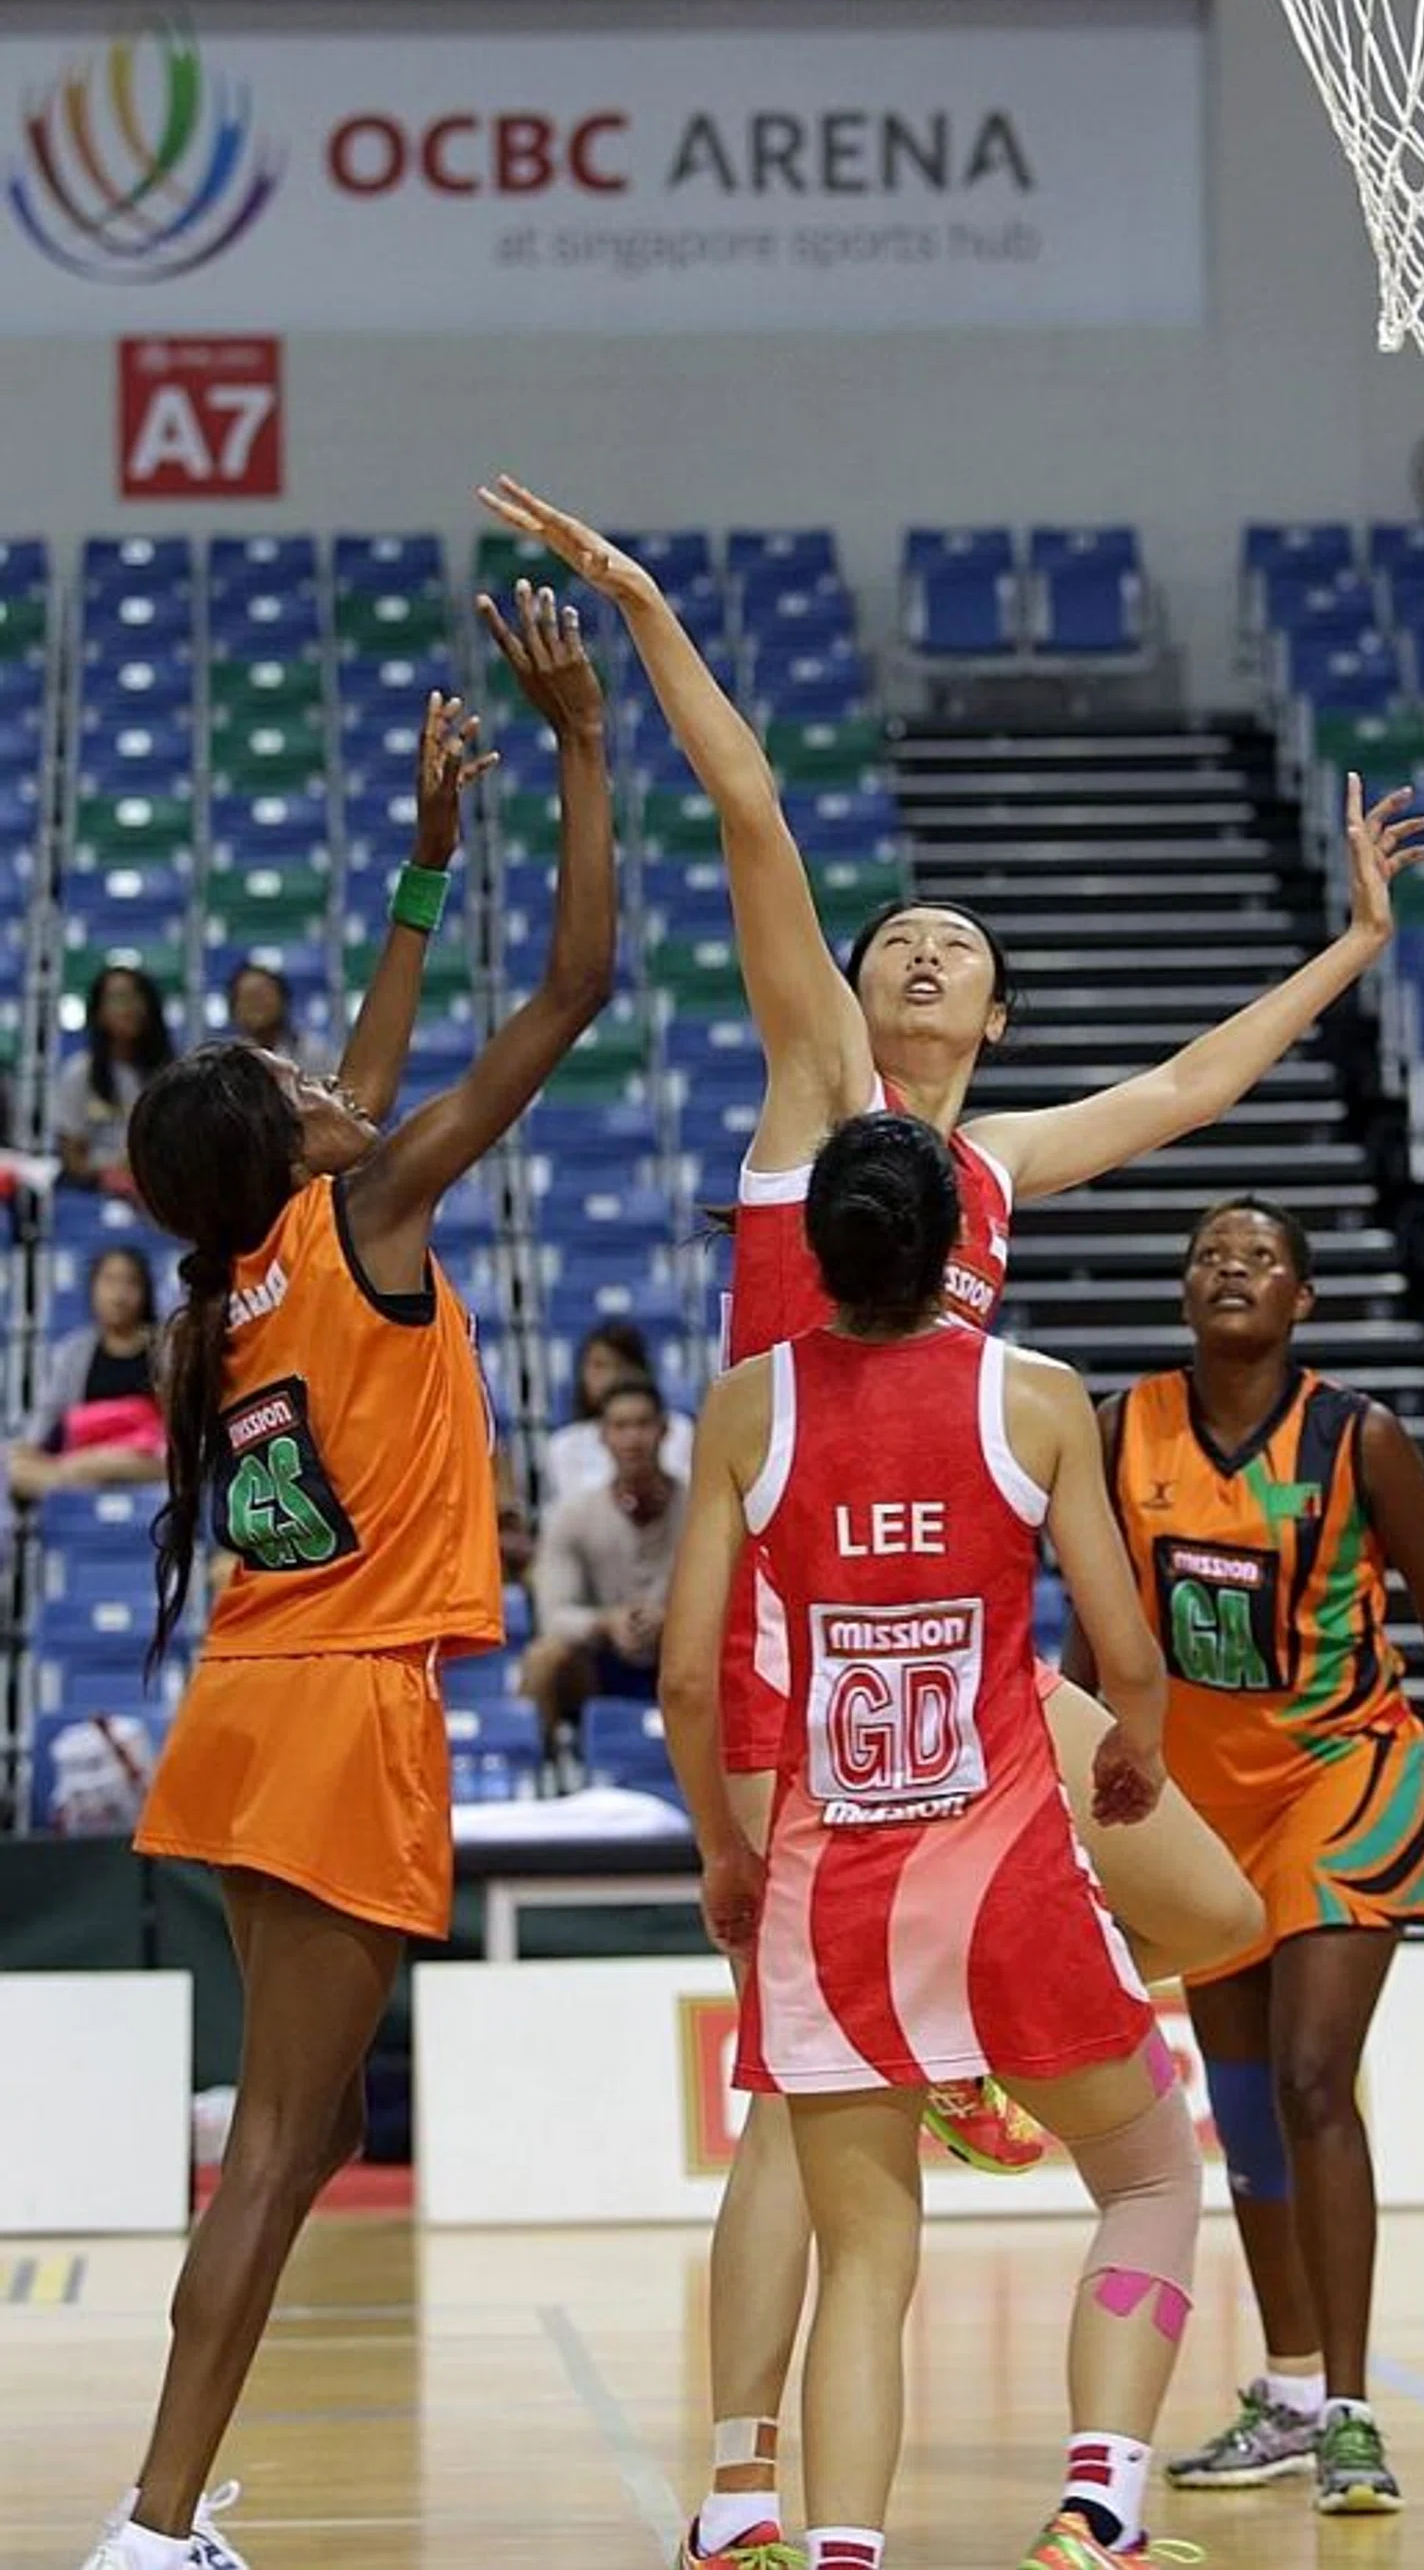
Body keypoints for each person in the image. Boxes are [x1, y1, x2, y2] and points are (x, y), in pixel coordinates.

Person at [476, 477, 1421, 2558]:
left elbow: (1186, 1092)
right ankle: (742, 2481)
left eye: (957, 950)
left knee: (1208, 1913)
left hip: (958, 1648)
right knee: (798, 2158)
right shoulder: (820, 1095)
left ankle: (989, 2052)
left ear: (988, 1024)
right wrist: (645, 607)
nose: (917, 946)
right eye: (905, 934)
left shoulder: (990, 1164)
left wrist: (1350, 944)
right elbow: (759, 825)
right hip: (815, 1621)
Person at [73, 622, 611, 2570]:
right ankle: (148, 2519)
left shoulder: (240, 1279)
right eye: (297, 1077)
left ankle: (169, 2492)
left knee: (291, 2145)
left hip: (248, 1708)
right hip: (341, 1701)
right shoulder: (363, 1216)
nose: (330, 1075)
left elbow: (365, 1073)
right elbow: (577, 991)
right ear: (280, 1143)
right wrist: (580, 751)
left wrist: (422, 856)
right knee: (283, 2148)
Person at [661, 1112, 1199, 2570]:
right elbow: (1128, 1650)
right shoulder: (1034, 1397)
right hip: (1008, 1876)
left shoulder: (744, 1407)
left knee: (867, 2262)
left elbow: (689, 1679)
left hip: (833, 1891)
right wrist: (1136, 1758)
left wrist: (723, 1844)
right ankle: (1100, 2507)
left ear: (812, 1250)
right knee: (1151, 2176)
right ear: (958, 1245)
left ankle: (841, 2550)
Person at [1083, 1196, 1424, 2514]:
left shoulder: (1361, 1438)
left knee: (1312, 2077)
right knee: (1243, 2115)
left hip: (1340, 1776)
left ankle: (1354, 2410)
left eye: (1259, 1258)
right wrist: (1077, 1799)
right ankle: (1291, 2388)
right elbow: (1094, 1636)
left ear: (1302, 1298)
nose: (1229, 1270)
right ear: (1184, 1292)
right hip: (1195, 1806)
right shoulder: (1115, 1430)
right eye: (1208, 1255)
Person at [521, 1373, 686, 1740]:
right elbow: (554, 1616)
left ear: (664, 1431)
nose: (633, 1438)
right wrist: (606, 1623)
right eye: (620, 1426)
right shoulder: (572, 1514)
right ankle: (551, 1773)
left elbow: (733, 1605)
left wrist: (674, 1621)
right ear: (603, 1436)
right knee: (542, 1659)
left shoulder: (699, 1508)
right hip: (600, 1661)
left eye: (643, 1424)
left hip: (683, 1655)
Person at [7, 1246, 164, 1501]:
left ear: (145, 1292)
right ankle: (70, 1478)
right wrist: (25, 1453)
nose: (119, 1294)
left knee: (105, 1462)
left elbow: (182, 1433)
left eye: (130, 1283)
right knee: (15, 1466)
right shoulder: (72, 1353)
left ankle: (67, 1477)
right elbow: (43, 1423)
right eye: (110, 1281)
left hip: (147, 1461)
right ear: (93, 1288)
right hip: (78, 1458)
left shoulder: (167, 1350)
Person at [53, 966, 176, 1191]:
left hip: (161, 1190)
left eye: (137, 997)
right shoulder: (79, 1073)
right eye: (118, 999)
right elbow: (71, 1158)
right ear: (98, 1012)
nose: (129, 1007)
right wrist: (114, 1174)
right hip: (98, 1192)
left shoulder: (173, 1075)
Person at [542, 1320, 693, 1498]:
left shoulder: (680, 1430)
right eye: (599, 1366)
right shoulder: (564, 1446)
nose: (610, 1377)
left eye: (620, 1365)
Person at [222, 960, 330, 1077]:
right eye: (248, 998)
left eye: (262, 996)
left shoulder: (315, 1053)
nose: (256, 1005)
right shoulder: (224, 1064)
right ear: (233, 1010)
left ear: (284, 1001)